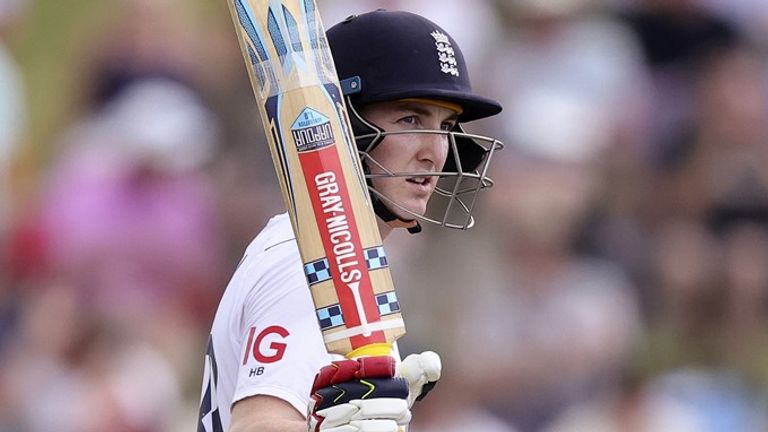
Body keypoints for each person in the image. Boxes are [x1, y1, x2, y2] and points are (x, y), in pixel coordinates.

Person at [198, 9, 504, 432]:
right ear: (343, 127)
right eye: (410, 119)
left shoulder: (336, 253)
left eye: (446, 126)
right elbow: (256, 423)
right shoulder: (309, 257)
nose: (435, 151)